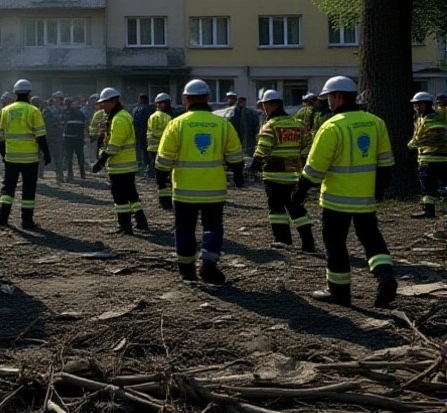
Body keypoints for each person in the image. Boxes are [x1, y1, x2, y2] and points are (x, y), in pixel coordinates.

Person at [290, 76, 396, 307]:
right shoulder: (376, 123)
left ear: (337, 96)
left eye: (329, 97)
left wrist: (299, 193)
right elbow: (386, 163)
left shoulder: (332, 126)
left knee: (335, 244)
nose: (327, 101)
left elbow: (315, 169)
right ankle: (385, 275)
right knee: (371, 238)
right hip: (365, 198)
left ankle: (339, 292)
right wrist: (379, 190)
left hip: (336, 201)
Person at [155, 79, 245, 285]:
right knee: (212, 227)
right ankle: (209, 264)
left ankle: (187, 271)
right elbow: (236, 157)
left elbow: (163, 161)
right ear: (207, 98)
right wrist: (239, 177)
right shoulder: (222, 124)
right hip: (214, 190)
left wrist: (162, 185)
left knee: (184, 229)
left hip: (184, 191)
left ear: (186, 99)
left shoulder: (177, 124)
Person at [249, 90, 315, 250]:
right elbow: (309, 145)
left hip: (274, 176)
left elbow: (264, 148)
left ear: (274, 105)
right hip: (295, 176)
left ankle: (283, 240)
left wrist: (255, 163)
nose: (264, 109)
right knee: (296, 207)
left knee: (277, 208)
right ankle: (308, 242)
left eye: (265, 105)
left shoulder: (270, 125)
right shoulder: (298, 124)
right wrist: (299, 158)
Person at [0, 79, 51, 230]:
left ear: (15, 93)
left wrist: (4, 154)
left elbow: (1, 137)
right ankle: (26, 222)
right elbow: (41, 136)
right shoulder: (34, 111)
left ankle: (2, 218)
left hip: (11, 158)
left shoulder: (5, 111)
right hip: (30, 159)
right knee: (28, 189)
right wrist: (47, 154)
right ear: (29, 93)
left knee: (8, 189)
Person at [92, 88, 148, 234]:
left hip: (120, 166)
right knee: (132, 195)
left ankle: (125, 226)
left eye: (104, 103)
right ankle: (141, 221)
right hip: (127, 165)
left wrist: (101, 161)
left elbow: (114, 146)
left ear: (114, 101)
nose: (102, 106)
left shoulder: (119, 119)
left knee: (120, 198)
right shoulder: (122, 116)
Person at [407, 92, 447, 219]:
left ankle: (429, 210)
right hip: (434, 158)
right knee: (431, 186)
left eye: (419, 104)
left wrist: (409, 147)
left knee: (428, 186)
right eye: (415, 104)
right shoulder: (422, 118)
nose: (416, 107)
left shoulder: (431, 120)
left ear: (427, 104)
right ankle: (429, 209)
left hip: (431, 158)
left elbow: (423, 138)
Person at [147, 93, 174, 208]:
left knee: (159, 176)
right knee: (166, 176)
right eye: (166, 103)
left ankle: (162, 200)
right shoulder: (168, 117)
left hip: (152, 149)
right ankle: (167, 200)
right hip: (164, 150)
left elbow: (149, 132)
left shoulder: (152, 117)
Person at [60, 98, 87, 180]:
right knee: (79, 156)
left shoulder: (65, 114)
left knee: (69, 157)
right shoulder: (80, 113)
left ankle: (71, 173)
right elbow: (85, 124)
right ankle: (81, 173)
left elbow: (61, 125)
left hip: (69, 138)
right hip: (78, 138)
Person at [131, 94, 152, 175]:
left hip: (139, 134)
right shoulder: (151, 109)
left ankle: (140, 167)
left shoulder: (138, 109)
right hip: (148, 134)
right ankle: (147, 167)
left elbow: (136, 122)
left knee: (140, 152)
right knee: (146, 152)